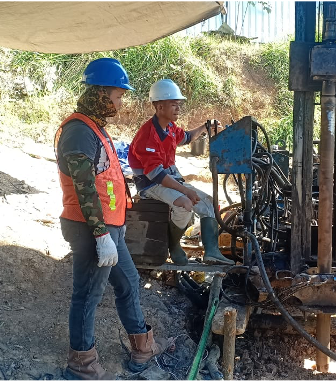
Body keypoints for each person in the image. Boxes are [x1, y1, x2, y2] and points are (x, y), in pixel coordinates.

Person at [55, 58, 170, 380]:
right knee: (87, 295)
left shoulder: (93, 128)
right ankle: (82, 366)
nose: (120, 103)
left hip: (110, 228)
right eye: (118, 96)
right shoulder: (78, 131)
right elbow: (84, 187)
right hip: (92, 229)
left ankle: (143, 348)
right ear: (101, 93)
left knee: (129, 283)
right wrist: (101, 235)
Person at [127, 78, 234, 266]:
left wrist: (204, 127)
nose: (178, 109)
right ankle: (174, 245)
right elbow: (156, 175)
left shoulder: (169, 128)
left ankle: (212, 252)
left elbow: (185, 137)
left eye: (179, 105)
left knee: (208, 202)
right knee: (185, 204)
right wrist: (186, 190)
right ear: (159, 107)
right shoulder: (147, 135)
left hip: (168, 178)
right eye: (174, 105)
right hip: (150, 184)